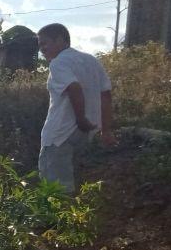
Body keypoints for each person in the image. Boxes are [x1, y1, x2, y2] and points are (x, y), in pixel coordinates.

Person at [36, 23, 115, 194]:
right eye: (40, 45)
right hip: (85, 134)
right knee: (76, 185)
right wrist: (106, 131)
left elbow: (74, 87)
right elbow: (106, 94)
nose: (42, 49)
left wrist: (81, 119)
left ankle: (58, 221)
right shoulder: (91, 61)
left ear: (61, 40)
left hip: (59, 135)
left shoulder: (58, 63)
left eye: (45, 43)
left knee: (55, 191)